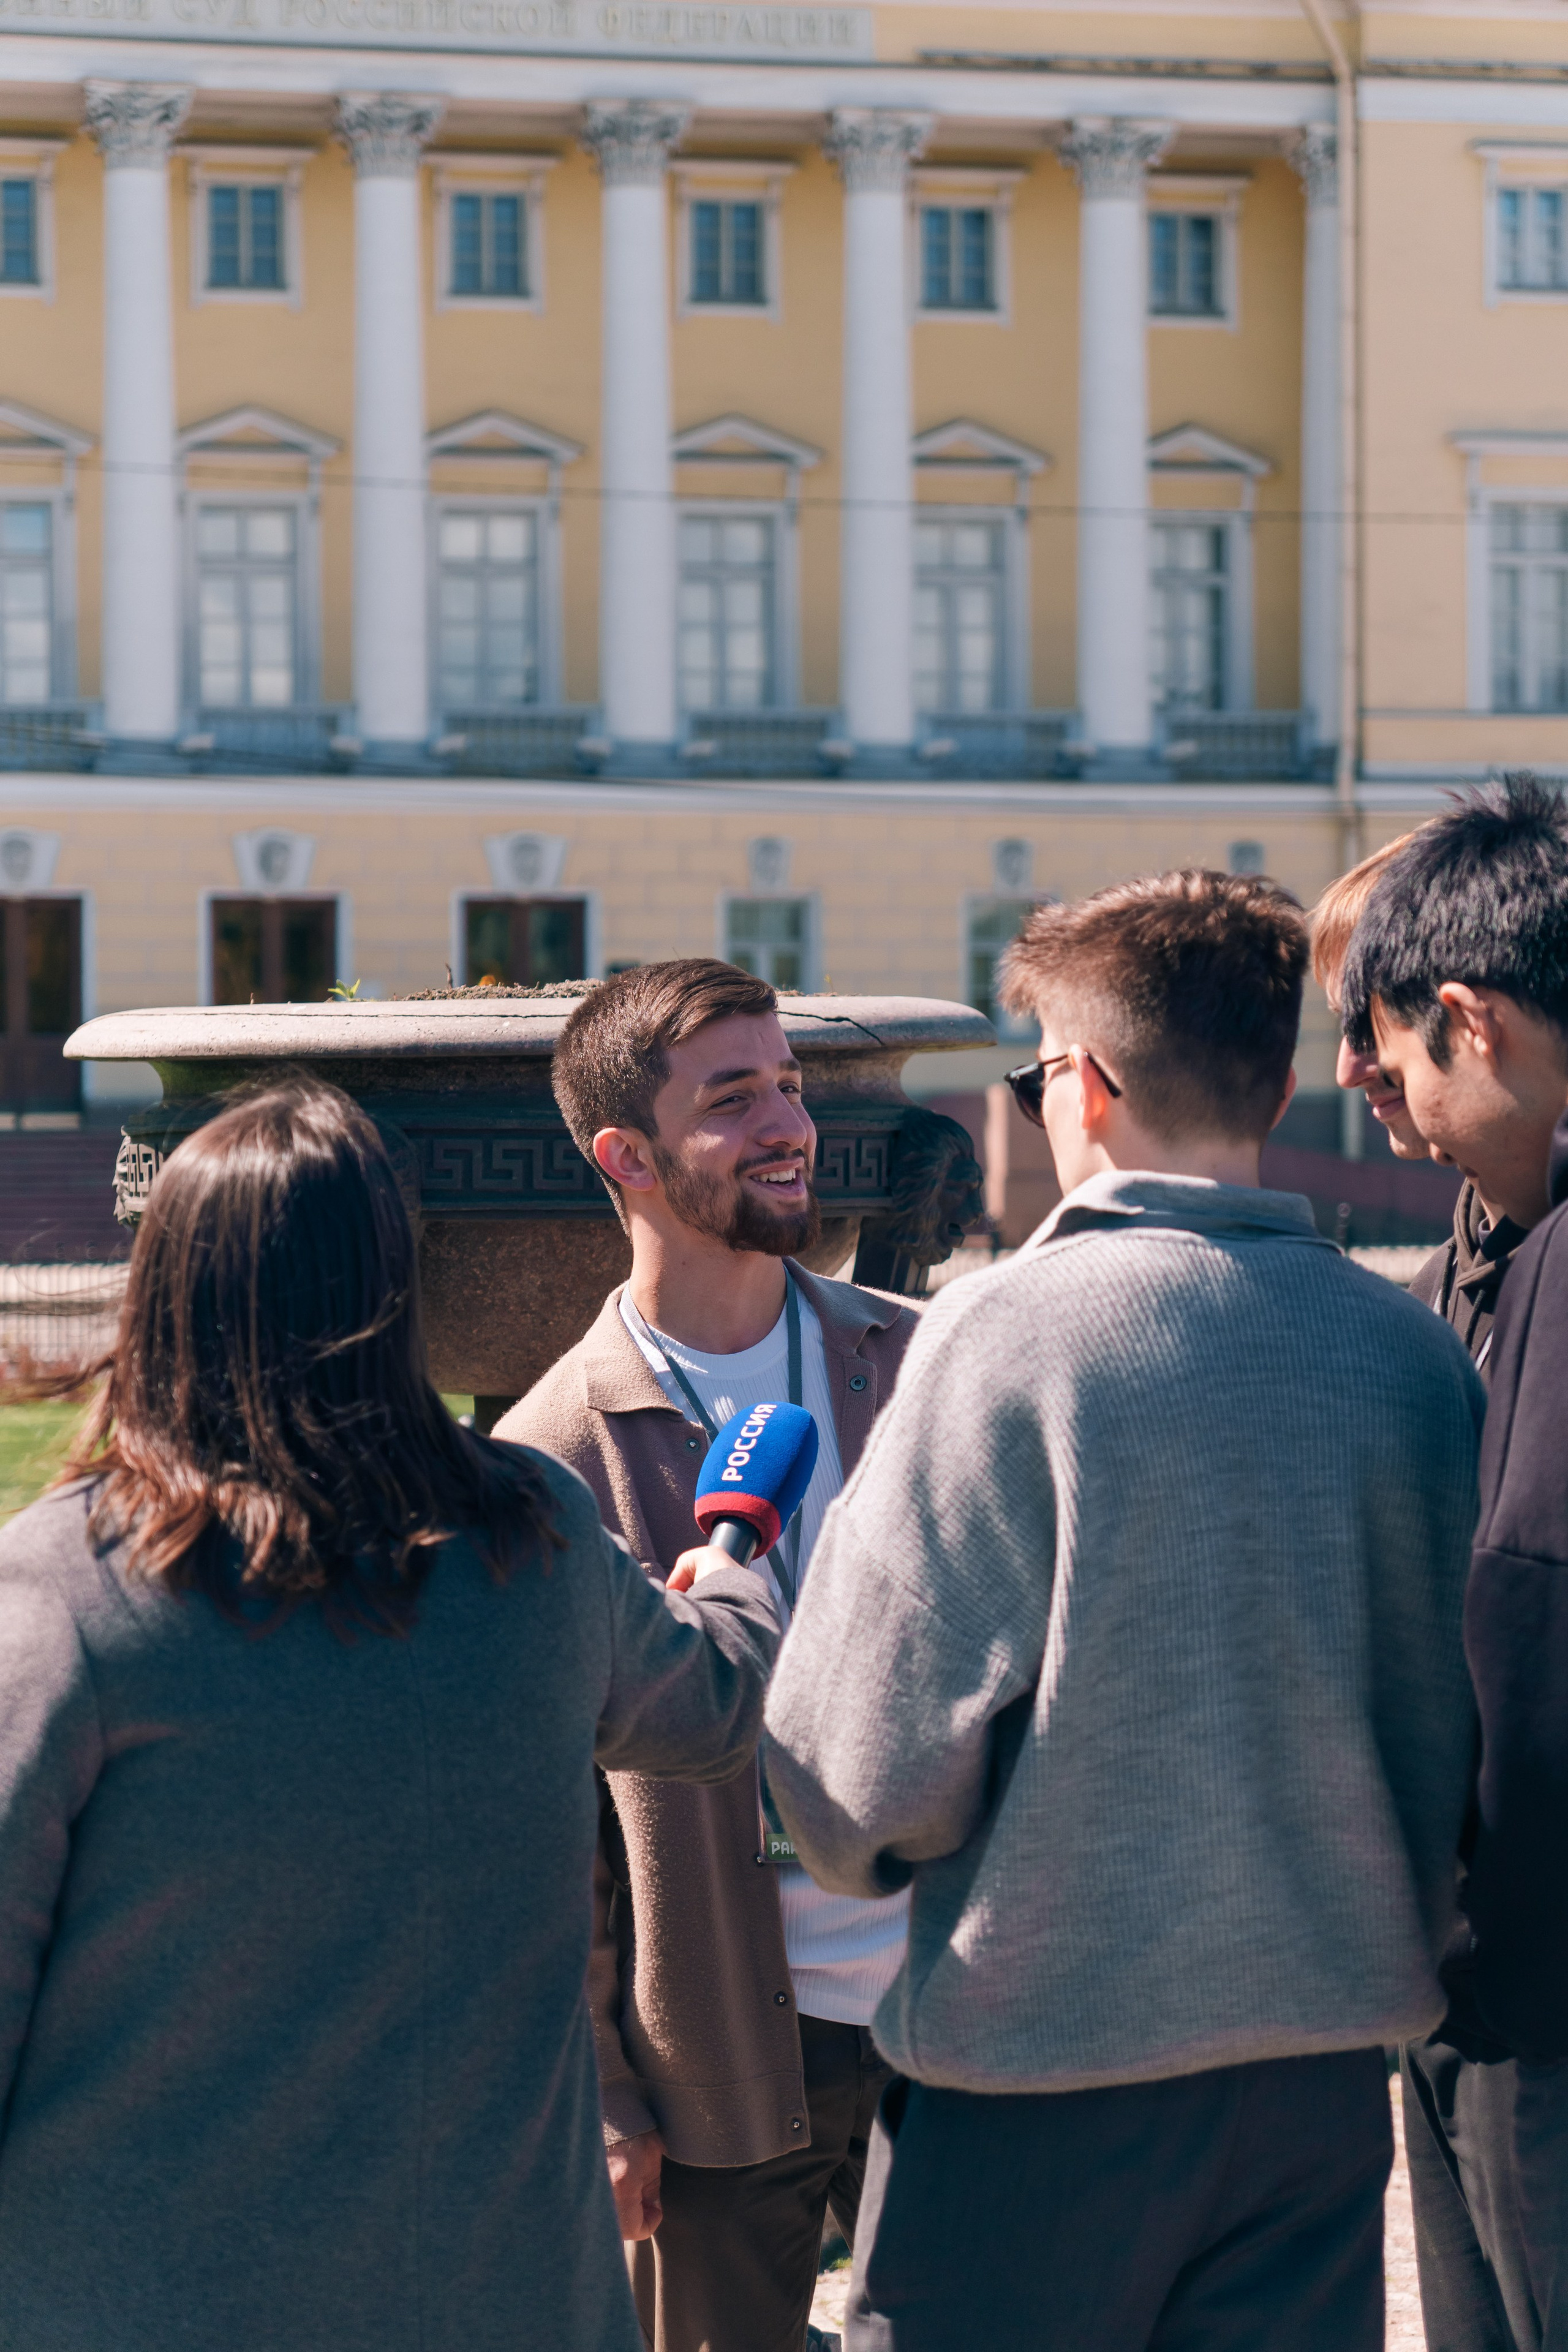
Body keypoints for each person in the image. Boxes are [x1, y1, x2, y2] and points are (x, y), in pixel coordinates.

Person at [763, 868, 1485, 2352]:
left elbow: (854, 1784)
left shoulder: (1004, 1334)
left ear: (1076, 1087)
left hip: (1035, 2070)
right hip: (1319, 2078)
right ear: (1276, 1087)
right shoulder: (1406, 1351)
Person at [0, 1077, 778, 2352]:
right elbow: (715, 1705)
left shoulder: (72, 1591)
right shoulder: (537, 1540)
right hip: (500, 2297)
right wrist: (735, 1555)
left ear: (166, 1290)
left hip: (140, 2296)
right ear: (396, 1288)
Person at [496, 958, 920, 2352]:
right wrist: (607, 2095)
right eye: (732, 1099)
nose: (786, 1122)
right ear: (626, 1155)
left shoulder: (922, 1367)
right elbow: (542, 1839)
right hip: (720, 2061)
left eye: (787, 1085)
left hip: (952, 2011)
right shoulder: (548, 1454)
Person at [1339, 773, 1568, 2352]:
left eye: (1395, 1042)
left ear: (1471, 1021)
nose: (1380, 1088)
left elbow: (1522, 1611)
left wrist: (1450, 1950)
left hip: (1525, 1988)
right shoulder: (1490, 1247)